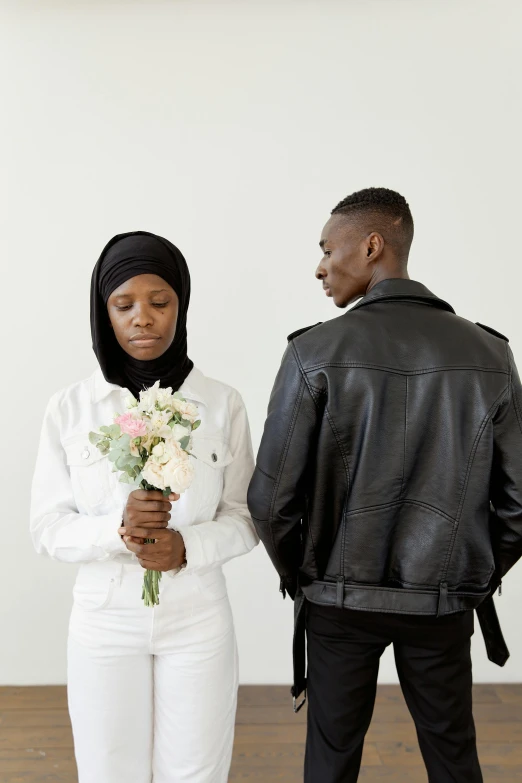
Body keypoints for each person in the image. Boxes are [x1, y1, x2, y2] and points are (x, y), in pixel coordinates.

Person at [247, 187, 522, 783]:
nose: (319, 267)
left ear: (373, 246)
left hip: (339, 603)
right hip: (443, 602)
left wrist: (307, 576)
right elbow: (520, 504)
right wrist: (470, 576)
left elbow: (270, 503)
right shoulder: (490, 354)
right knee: (453, 757)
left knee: (330, 760)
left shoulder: (313, 353)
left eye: (327, 249)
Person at [31, 231, 258, 783]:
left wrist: (187, 546)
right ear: (102, 310)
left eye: (160, 303)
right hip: (104, 620)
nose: (143, 319)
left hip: (198, 617)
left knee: (196, 771)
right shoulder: (70, 408)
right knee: (110, 771)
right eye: (123, 304)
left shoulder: (222, 403)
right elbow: (46, 527)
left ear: (181, 305)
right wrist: (118, 530)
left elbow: (247, 518)